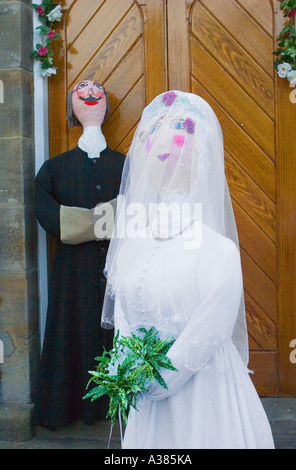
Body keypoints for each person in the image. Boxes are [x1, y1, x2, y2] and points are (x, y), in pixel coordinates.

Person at [101, 91, 275, 449]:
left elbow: (209, 329)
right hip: (147, 403)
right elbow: (122, 309)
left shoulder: (217, 250)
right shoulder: (133, 244)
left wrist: (162, 378)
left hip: (203, 402)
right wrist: (126, 363)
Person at [33, 80, 125, 429]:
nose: (90, 93)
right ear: (73, 108)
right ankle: (71, 406)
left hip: (119, 267)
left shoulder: (126, 166)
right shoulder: (53, 169)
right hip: (71, 275)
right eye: (81, 90)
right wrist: (106, 218)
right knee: (72, 331)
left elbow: (137, 211)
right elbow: (48, 214)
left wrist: (81, 222)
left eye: (96, 89)